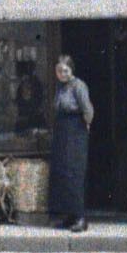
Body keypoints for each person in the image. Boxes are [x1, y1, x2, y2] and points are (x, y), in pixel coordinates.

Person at [49, 54, 94, 232]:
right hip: (62, 129)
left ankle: (80, 217)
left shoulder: (78, 86)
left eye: (65, 70)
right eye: (59, 71)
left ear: (71, 70)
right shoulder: (60, 87)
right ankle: (69, 215)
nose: (62, 74)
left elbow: (87, 109)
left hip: (75, 129)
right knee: (62, 171)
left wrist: (86, 125)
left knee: (74, 171)